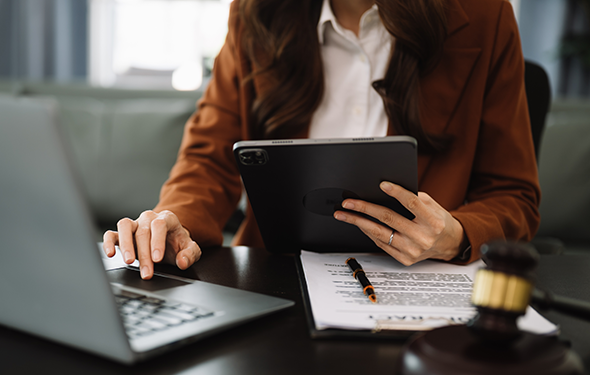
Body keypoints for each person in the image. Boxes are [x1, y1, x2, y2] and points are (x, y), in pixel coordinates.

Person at [103, 0, 540, 280]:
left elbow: (514, 194)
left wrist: (457, 235)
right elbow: (207, 162)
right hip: (275, 285)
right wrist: (173, 218)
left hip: (418, 290)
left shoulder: (483, 15)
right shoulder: (255, 13)